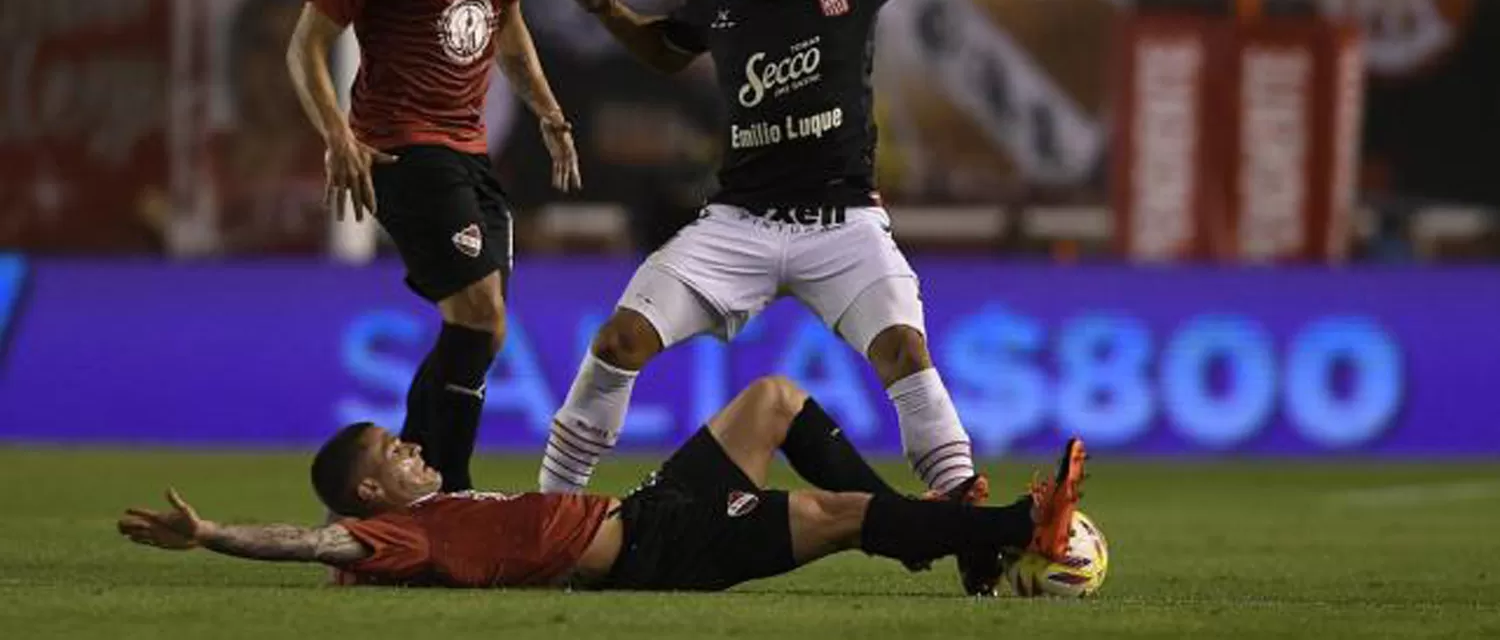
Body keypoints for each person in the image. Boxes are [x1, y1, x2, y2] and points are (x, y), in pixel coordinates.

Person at [539, 0, 1126, 591]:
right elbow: (668, 53)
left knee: (905, 354)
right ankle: (547, 521)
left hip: (842, 222)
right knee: (616, 343)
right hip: (737, 223)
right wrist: (611, 13)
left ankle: (967, 532)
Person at [117, 377, 1088, 595]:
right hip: (655, 553)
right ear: (370, 492)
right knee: (833, 516)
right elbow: (315, 542)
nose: (416, 448)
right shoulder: (402, 538)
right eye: (396, 451)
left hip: (642, 509)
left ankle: (945, 540)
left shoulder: (434, 510)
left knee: (776, 400)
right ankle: (1014, 527)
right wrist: (211, 536)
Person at [285, 0, 582, 495]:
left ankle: (413, 487)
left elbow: (506, 26)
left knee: (484, 330)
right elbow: (306, 47)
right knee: (478, 315)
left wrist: (546, 108)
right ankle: (447, 482)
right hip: (400, 149)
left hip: (469, 151)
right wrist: (339, 137)